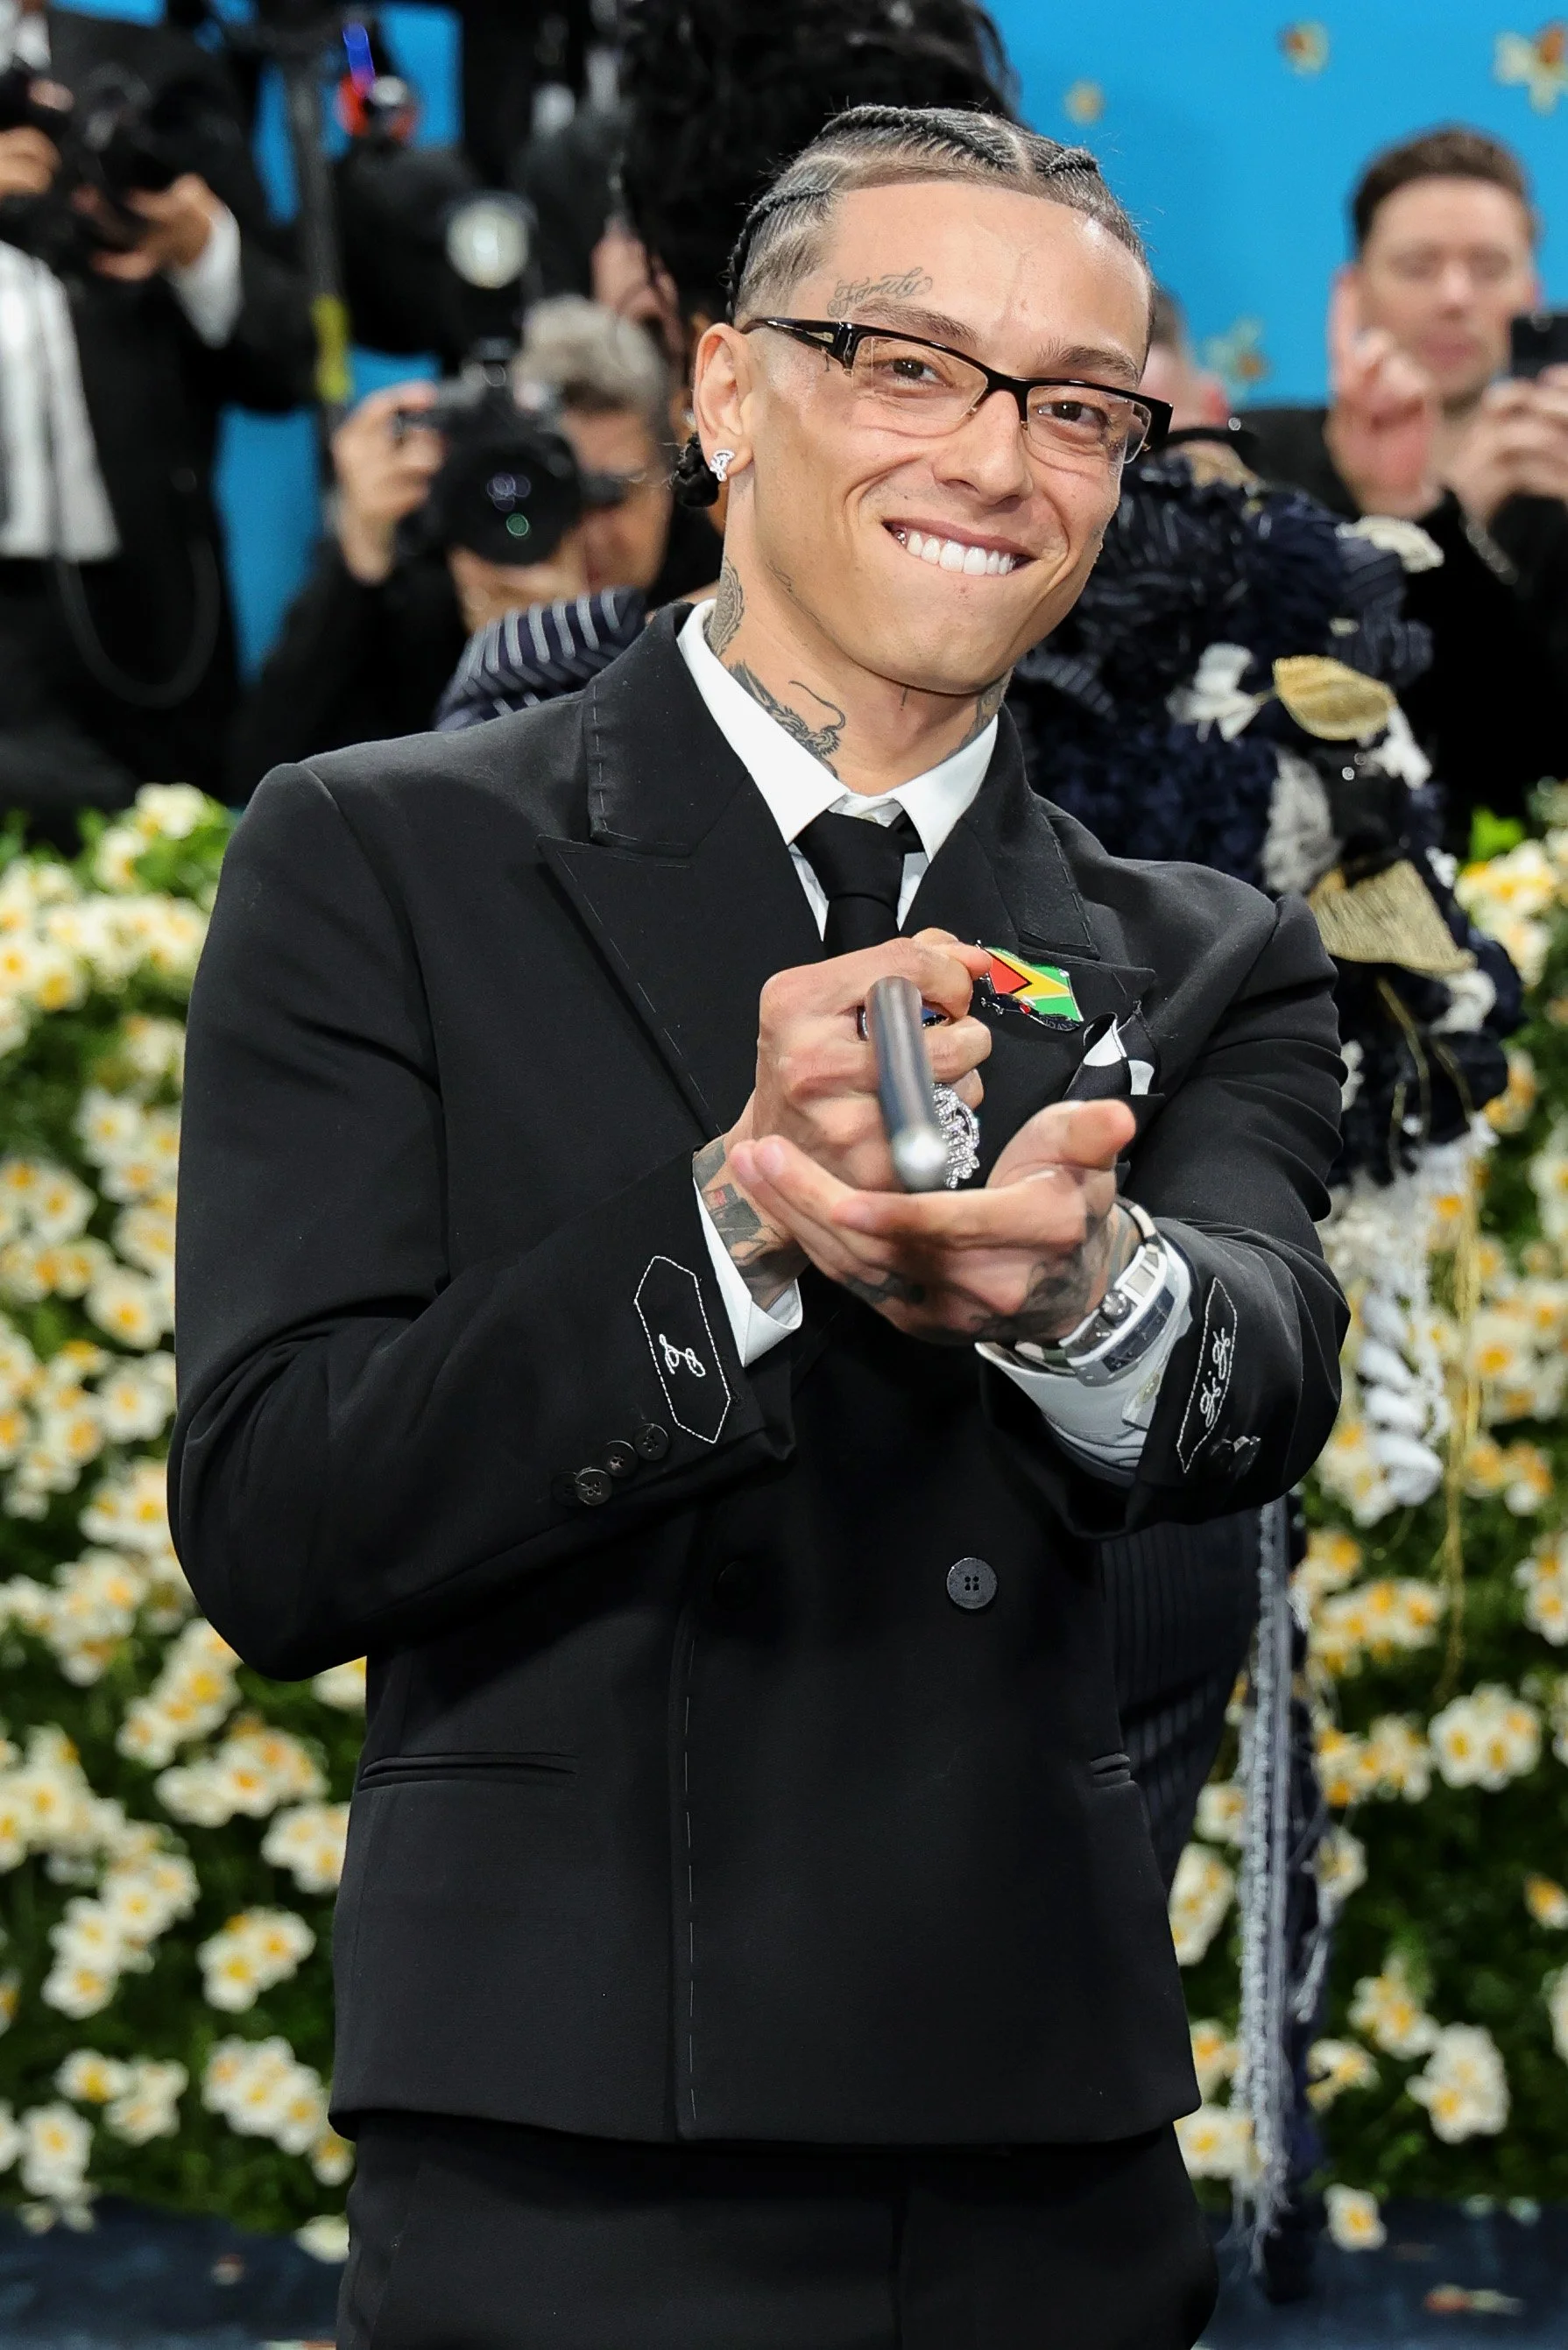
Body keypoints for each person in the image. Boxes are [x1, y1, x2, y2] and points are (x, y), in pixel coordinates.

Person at [173, 107, 1346, 2349]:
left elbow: (1254, 1373)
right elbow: (274, 1519)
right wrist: (737, 1221)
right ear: (721, 392)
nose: (996, 459)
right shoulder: (377, 856)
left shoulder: (1202, 956)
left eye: (1076, 409)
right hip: (564, 2139)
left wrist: (1078, 1290)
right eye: (905, 364)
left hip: (1044, 2152)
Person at [0, 0, 312, 837]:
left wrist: (197, 243)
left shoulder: (156, 72)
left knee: (172, 914)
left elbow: (290, 361)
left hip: (145, 615)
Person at [226, 295, 717, 795]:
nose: (572, 531)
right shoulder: (443, 572)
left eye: (606, 495)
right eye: (546, 492)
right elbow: (263, 775)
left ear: (674, 474)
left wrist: (566, 652)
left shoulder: (714, 588)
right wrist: (356, 569)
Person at [1245, 126, 1568, 842]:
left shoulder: (1557, 500)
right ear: (1352, 293)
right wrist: (1439, 520)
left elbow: (1533, 768)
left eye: (1488, 267)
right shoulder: (1257, 463)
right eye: (1419, 266)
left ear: (1530, 292)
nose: (1455, 297)